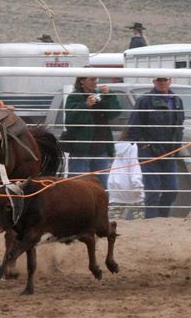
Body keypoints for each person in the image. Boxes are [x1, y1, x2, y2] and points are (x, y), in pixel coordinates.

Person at [127, 77, 184, 219]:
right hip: (149, 152)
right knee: (153, 191)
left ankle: (162, 217)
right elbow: (133, 127)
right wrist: (144, 144)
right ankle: (151, 220)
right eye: (159, 80)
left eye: (165, 80)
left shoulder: (177, 100)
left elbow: (180, 126)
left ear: (170, 81)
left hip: (169, 152)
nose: (162, 83)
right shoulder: (144, 101)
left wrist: (177, 145)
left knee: (172, 190)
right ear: (154, 82)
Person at [63, 76, 121, 189]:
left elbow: (115, 113)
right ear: (82, 81)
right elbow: (70, 121)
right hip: (81, 150)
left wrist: (109, 96)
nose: (95, 82)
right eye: (92, 79)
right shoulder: (74, 97)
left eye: (96, 79)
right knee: (77, 186)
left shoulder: (100, 95)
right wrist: (85, 105)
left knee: (101, 186)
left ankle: (100, 206)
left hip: (101, 149)